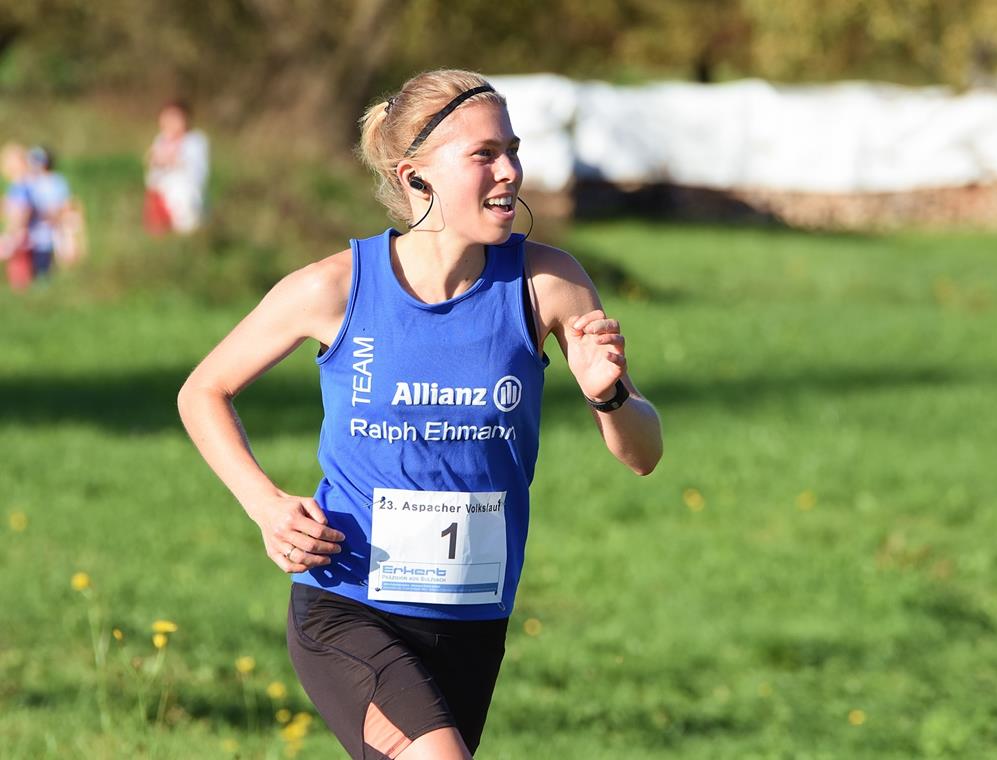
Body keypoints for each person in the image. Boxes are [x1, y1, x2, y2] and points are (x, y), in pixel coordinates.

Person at [178, 69, 663, 759]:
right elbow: (202, 391)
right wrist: (264, 506)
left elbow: (643, 454)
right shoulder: (335, 288)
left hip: (474, 619)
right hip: (347, 604)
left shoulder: (548, 283)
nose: (510, 172)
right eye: (484, 155)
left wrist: (608, 394)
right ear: (417, 177)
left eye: (513, 149)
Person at [145, 100, 209, 234]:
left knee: (185, 222)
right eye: (167, 118)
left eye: (175, 118)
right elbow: (152, 169)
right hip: (161, 190)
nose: (170, 122)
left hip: (185, 191)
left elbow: (195, 168)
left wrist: (172, 160)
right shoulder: (161, 139)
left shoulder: (195, 140)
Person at [24, 146, 71, 281]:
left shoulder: (57, 181)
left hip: (55, 229)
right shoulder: (30, 181)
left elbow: (65, 204)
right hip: (34, 230)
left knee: (53, 261)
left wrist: (53, 215)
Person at [1, 142, 34, 290]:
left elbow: (22, 209)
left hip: (19, 230)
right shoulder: (21, 184)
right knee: (18, 264)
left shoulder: (20, 185)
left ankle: (21, 291)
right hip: (19, 229)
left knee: (18, 265)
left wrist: (14, 230)